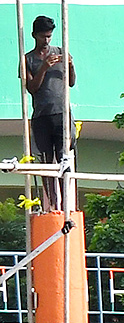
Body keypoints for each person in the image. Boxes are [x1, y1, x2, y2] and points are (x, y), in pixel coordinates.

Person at [23, 15, 76, 212]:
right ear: (34, 36)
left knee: (64, 158)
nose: (46, 41)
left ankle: (66, 204)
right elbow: (32, 88)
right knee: (46, 161)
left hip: (62, 112)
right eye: (43, 37)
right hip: (41, 116)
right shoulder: (28, 59)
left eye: (49, 36)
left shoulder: (61, 52)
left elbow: (71, 82)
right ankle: (52, 204)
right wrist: (44, 67)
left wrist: (70, 64)